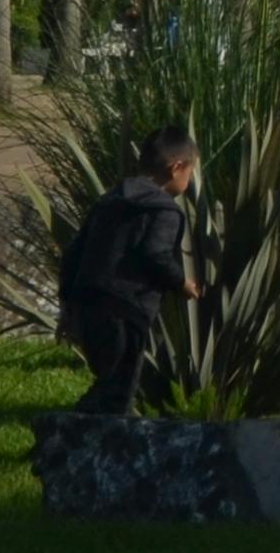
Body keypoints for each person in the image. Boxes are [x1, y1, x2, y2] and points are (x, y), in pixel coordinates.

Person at [60, 129, 201, 415]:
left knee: (108, 381)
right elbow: (156, 254)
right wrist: (182, 283)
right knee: (119, 392)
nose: (191, 180)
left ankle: (77, 431)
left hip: (88, 305)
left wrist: (67, 304)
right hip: (125, 309)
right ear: (176, 168)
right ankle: (90, 443)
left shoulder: (110, 200)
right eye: (191, 172)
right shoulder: (164, 211)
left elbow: (74, 251)